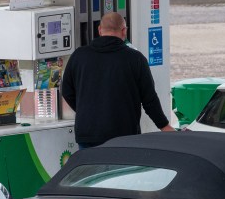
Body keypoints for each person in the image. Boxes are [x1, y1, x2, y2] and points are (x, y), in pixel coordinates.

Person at [61, 12, 175, 148]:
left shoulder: (79, 56)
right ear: (124, 31)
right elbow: (149, 99)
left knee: (91, 169)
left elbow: (67, 91)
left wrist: (86, 110)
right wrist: (164, 126)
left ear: (99, 30)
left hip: (88, 134)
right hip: (124, 136)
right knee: (122, 170)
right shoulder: (135, 59)